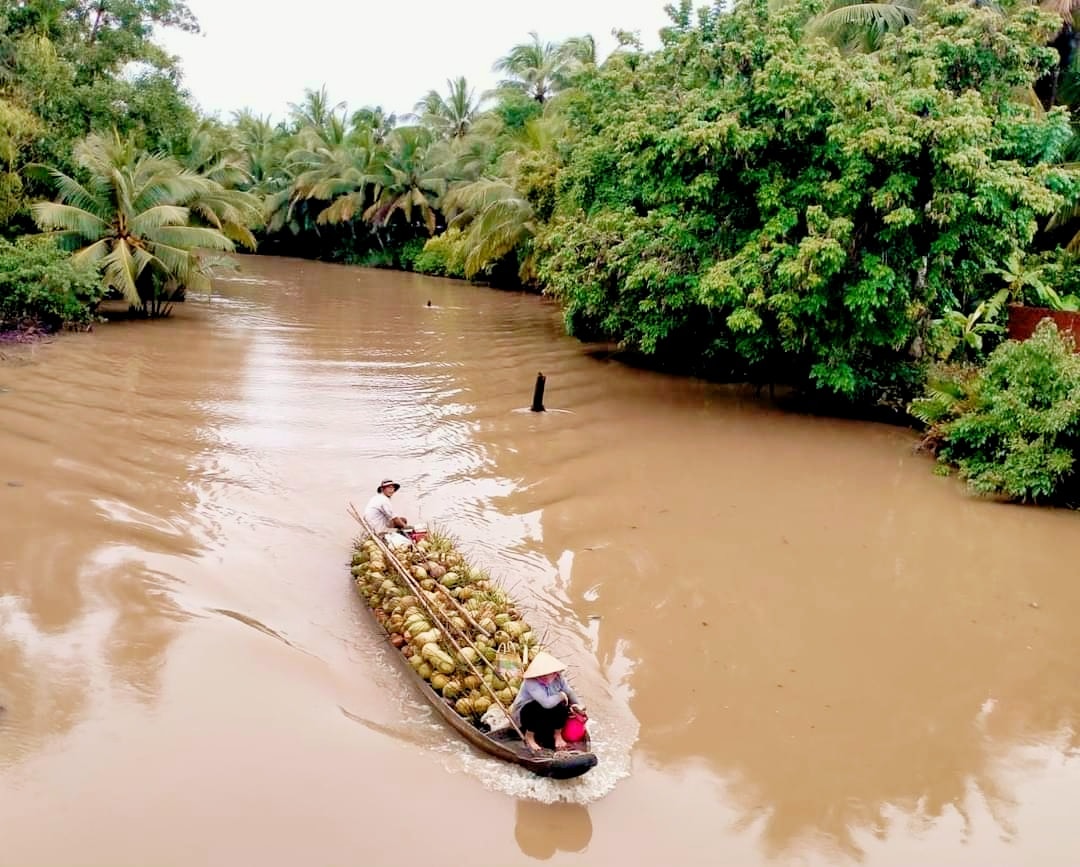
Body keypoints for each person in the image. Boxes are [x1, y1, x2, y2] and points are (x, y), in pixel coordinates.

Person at [508, 651, 585, 753]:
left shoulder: (559, 678)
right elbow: (546, 703)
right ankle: (529, 736)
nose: (543, 676)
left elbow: (569, 692)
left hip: (544, 716)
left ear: (554, 673)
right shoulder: (530, 682)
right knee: (535, 706)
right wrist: (561, 695)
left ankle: (557, 735)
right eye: (541, 674)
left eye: (547, 674)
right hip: (526, 717)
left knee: (563, 706)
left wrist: (578, 706)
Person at [363, 478, 411, 546]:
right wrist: (406, 527)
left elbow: (391, 516)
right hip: (379, 530)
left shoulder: (376, 498)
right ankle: (391, 538)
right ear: (382, 489)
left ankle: (396, 535)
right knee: (402, 522)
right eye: (389, 488)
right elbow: (395, 518)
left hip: (373, 527)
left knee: (402, 520)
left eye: (393, 488)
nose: (392, 490)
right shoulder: (384, 500)